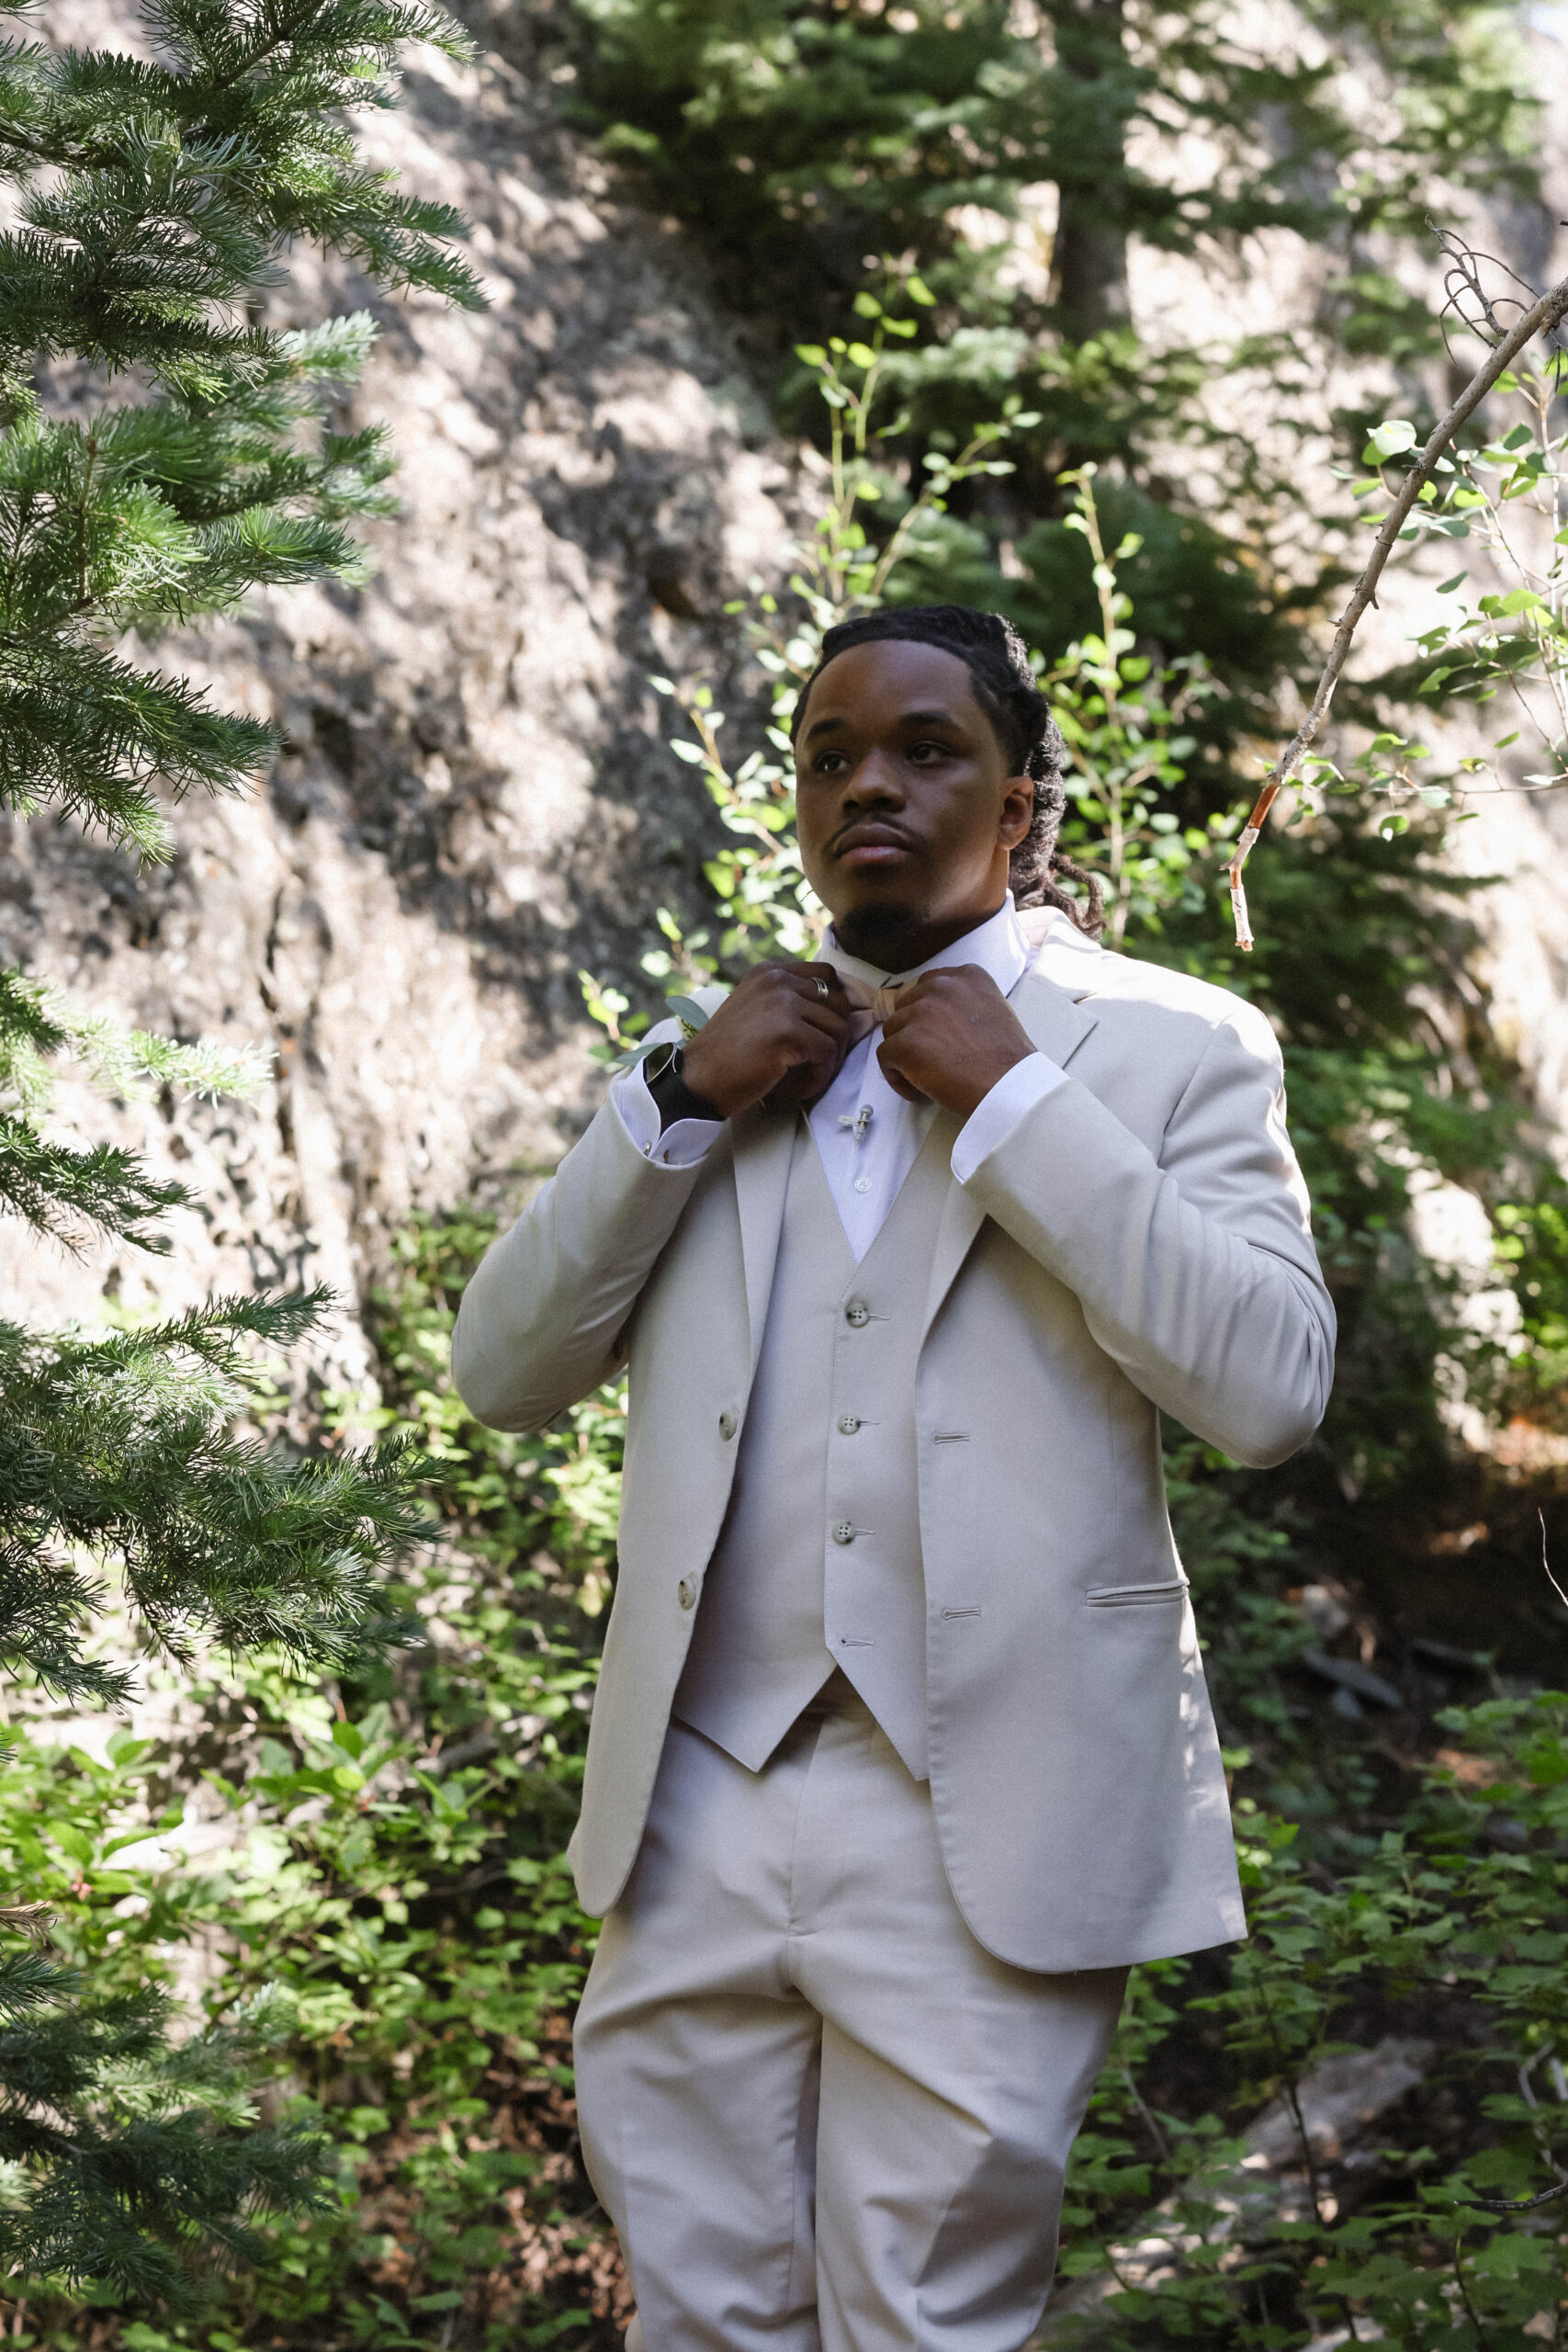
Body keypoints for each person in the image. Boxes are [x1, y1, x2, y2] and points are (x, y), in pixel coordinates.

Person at [452, 605, 1336, 2352]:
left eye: (929, 751)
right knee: (694, 2320)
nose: (873, 783)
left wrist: (1018, 1110)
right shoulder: (709, 1065)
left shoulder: (1178, 1047)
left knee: (927, 2322)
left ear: (1018, 807)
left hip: (988, 1806)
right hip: (696, 1791)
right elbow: (503, 1372)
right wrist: (677, 1102)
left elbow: (1269, 1390)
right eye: (831, 755)